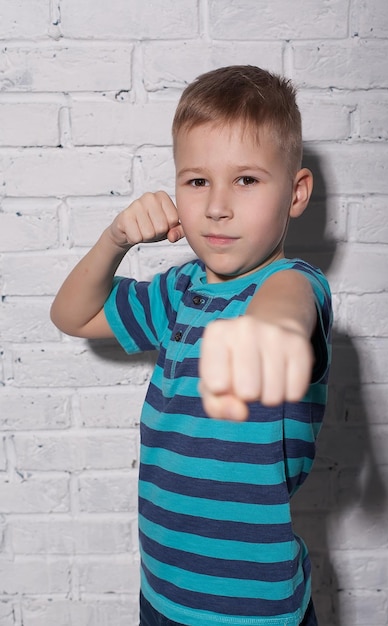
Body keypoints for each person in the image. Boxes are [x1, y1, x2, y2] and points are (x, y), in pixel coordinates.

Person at [51, 65, 332, 626]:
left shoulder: (296, 284)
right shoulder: (179, 291)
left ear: (296, 193)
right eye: (197, 180)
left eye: (247, 180)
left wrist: (268, 332)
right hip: (163, 593)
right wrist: (116, 239)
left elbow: (289, 303)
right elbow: (71, 314)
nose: (217, 206)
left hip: (254, 609)